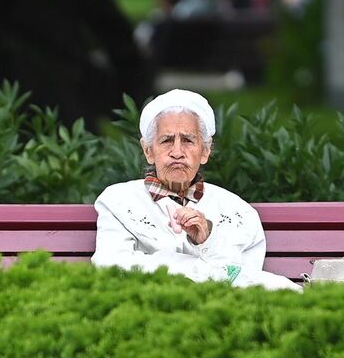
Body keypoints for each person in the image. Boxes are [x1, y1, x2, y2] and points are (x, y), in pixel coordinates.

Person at [92, 89, 301, 291]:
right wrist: (200, 267)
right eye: (166, 140)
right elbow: (111, 268)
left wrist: (207, 240)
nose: (177, 152)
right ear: (148, 151)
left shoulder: (239, 212)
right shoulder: (118, 201)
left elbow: (241, 283)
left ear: (205, 151)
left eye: (188, 140)